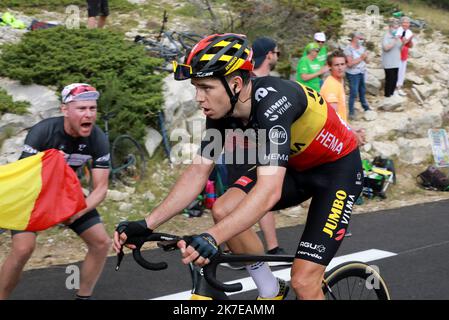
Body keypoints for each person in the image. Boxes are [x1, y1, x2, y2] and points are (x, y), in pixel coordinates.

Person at [114, 33, 363, 300]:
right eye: (196, 87)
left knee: (303, 282)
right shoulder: (222, 112)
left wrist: (212, 237)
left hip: (337, 172)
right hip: (296, 167)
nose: (199, 98)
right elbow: (198, 172)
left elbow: (269, 191)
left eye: (206, 87)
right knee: (222, 208)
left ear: (234, 83)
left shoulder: (274, 104)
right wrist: (147, 223)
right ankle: (270, 289)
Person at [0, 83, 111, 300]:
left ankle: (84, 297)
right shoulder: (43, 131)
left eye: (92, 108)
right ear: (65, 110)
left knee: (101, 243)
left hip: (67, 196)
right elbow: (25, 180)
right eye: (81, 109)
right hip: (34, 196)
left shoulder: (97, 138)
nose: (88, 114)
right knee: (23, 249)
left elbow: (101, 189)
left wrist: (75, 213)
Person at [221, 37, 287, 266]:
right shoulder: (258, 83)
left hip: (240, 148)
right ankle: (268, 247)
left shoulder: (251, 81)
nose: (277, 56)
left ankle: (247, 249)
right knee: (256, 196)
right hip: (249, 148)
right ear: (269, 55)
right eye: (276, 52)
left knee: (247, 197)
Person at [344, 32, 371, 120]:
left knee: (362, 91)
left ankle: (366, 107)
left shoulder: (362, 48)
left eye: (363, 39)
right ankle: (351, 112)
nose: (361, 41)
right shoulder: (348, 49)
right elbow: (350, 64)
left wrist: (366, 57)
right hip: (352, 74)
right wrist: (361, 58)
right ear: (355, 38)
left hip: (361, 72)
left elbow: (367, 61)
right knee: (354, 92)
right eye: (360, 39)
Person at [382, 18, 402, 98]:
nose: (395, 30)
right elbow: (386, 48)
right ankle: (387, 96)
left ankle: (392, 94)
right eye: (394, 28)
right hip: (388, 62)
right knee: (389, 80)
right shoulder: (386, 36)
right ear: (390, 27)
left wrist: (403, 42)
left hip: (396, 62)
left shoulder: (397, 37)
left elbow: (400, 48)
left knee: (395, 80)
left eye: (397, 28)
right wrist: (394, 40)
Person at [396, 16, 414, 96]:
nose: (406, 24)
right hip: (396, 54)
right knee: (396, 71)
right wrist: (405, 41)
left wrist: (409, 41)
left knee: (402, 72)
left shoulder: (409, 32)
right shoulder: (397, 30)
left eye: (407, 23)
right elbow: (398, 42)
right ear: (401, 23)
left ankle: (399, 87)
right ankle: (393, 88)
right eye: (404, 22)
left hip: (404, 54)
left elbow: (410, 45)